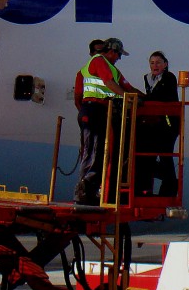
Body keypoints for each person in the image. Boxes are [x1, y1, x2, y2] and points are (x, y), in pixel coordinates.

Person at [74, 38, 144, 205]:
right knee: (92, 152)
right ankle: (84, 193)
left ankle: (92, 190)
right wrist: (126, 97)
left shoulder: (113, 69)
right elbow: (109, 83)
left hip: (102, 111)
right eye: (119, 54)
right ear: (112, 51)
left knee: (101, 153)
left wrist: (146, 98)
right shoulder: (99, 61)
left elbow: (129, 87)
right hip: (93, 109)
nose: (119, 58)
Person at [137, 51, 180, 197]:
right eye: (152, 62)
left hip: (168, 123)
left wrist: (143, 99)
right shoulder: (148, 79)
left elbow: (162, 96)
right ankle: (148, 187)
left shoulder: (169, 77)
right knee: (148, 155)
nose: (155, 65)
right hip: (154, 124)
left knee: (165, 154)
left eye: (158, 62)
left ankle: (170, 187)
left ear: (165, 64)